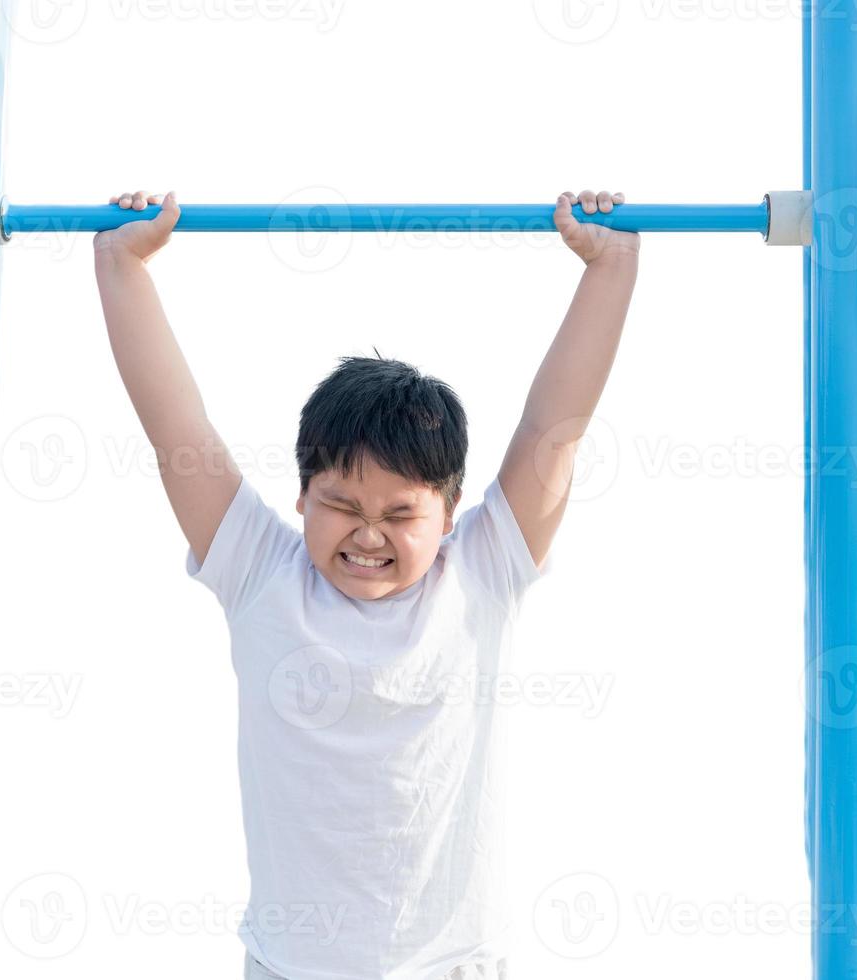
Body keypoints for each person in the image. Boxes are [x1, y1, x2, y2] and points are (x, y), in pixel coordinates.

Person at [93, 188, 640, 980]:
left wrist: (610, 268)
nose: (369, 533)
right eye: (342, 506)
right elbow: (175, 427)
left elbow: (555, 427)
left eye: (399, 513)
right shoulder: (258, 571)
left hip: (450, 964)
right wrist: (121, 264)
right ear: (300, 498)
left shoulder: (482, 573)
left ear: (450, 513)